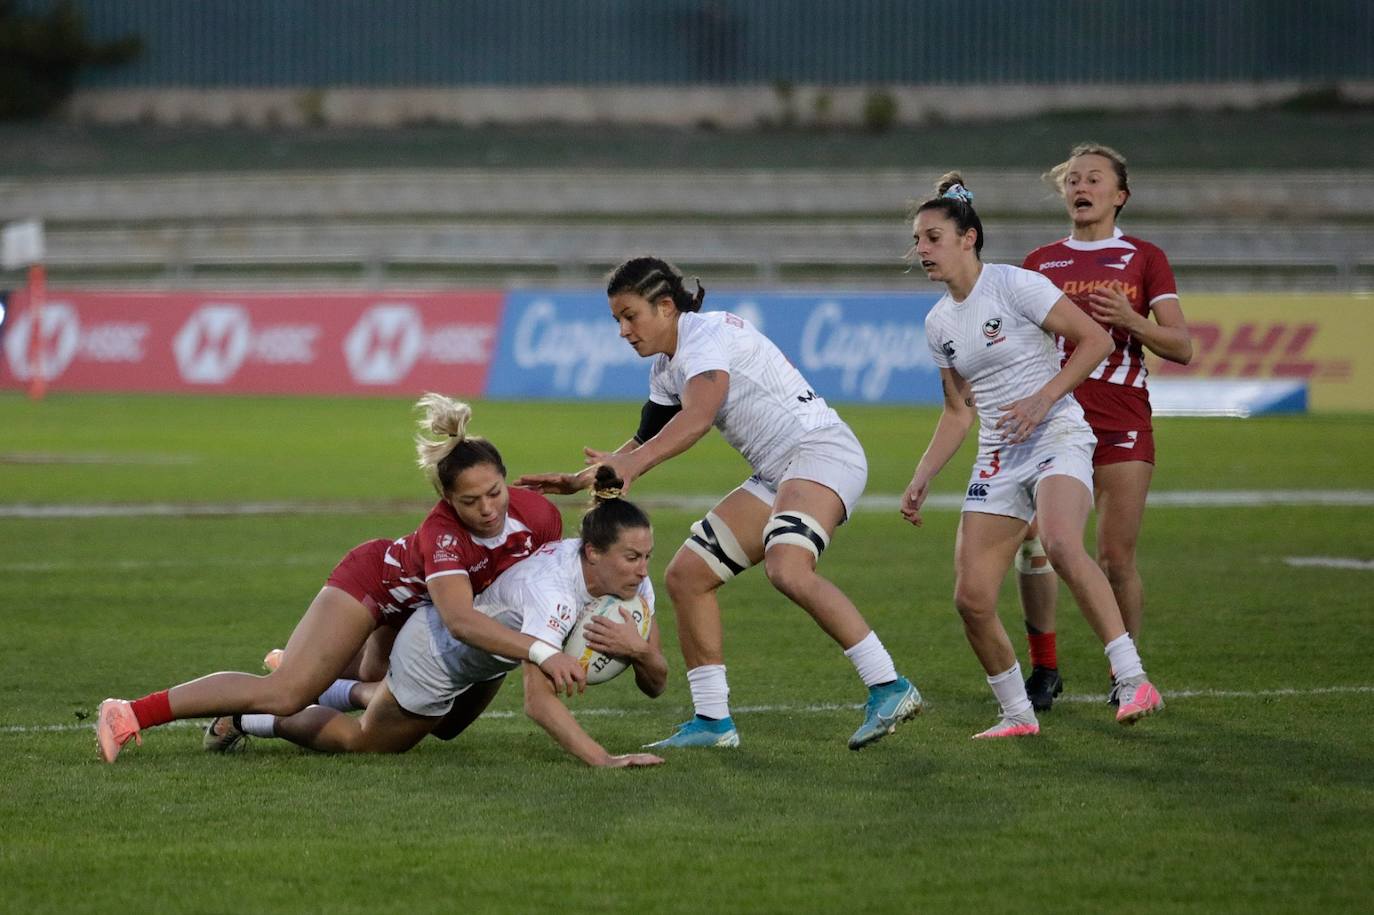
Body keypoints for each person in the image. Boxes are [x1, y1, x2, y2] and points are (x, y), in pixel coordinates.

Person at [517, 256, 922, 751]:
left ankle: (889, 685)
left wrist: (634, 467)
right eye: (616, 320)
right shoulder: (668, 367)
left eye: (630, 316)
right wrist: (581, 479)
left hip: (819, 452)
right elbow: (647, 438)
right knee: (687, 576)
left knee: (788, 568)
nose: (623, 331)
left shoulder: (704, 337)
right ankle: (713, 722)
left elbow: (698, 418)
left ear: (665, 307)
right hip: (778, 472)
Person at [95, 394, 584, 763]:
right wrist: (542, 650)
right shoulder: (442, 534)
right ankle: (133, 712)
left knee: (445, 724)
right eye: (469, 501)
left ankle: (305, 667)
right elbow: (459, 619)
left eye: (495, 493)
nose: (487, 509)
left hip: (415, 611)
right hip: (374, 586)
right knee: (286, 693)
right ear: (446, 502)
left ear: (506, 479)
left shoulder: (539, 516)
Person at [900, 173, 1164, 738]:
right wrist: (922, 475)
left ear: (968, 238)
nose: (921, 249)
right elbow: (957, 412)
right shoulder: (938, 322)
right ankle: (1018, 715)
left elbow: (1093, 339)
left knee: (1062, 540)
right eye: (918, 240)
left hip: (1056, 434)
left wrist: (1044, 398)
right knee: (971, 599)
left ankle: (1133, 678)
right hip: (998, 453)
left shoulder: (1015, 285)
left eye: (932, 237)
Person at [203, 466, 668, 768]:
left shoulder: (631, 583)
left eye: (647, 556)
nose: (643, 569)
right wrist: (603, 759)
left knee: (446, 729)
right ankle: (247, 719)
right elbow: (538, 702)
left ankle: (331, 683)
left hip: (487, 656)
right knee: (366, 742)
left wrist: (642, 651)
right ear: (592, 553)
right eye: (632, 557)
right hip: (438, 651)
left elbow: (657, 682)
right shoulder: (552, 592)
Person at [1016, 143, 1193, 711]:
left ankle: (1127, 675)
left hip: (1121, 417)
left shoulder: (1145, 258)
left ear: (1120, 195)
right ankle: (1045, 668)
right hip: (1055, 419)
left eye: (1093, 179)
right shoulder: (1041, 263)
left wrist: (1134, 321)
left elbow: (1182, 346)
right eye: (1072, 179)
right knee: (1036, 543)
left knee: (1115, 557)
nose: (1080, 187)